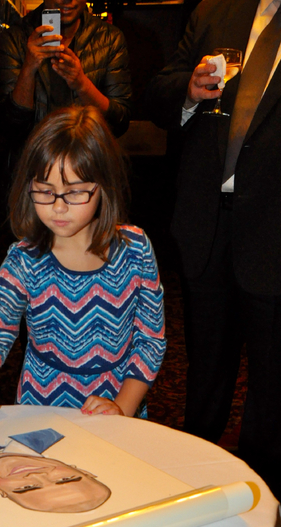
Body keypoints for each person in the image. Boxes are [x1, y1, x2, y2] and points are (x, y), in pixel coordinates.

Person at [0, 105, 166, 465]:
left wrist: (122, 407)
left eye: (74, 193)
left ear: (102, 185)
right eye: (44, 191)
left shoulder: (135, 249)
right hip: (41, 411)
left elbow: (150, 341)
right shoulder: (24, 259)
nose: (58, 207)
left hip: (117, 407)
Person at [144, 0, 281, 501]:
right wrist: (187, 88)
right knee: (204, 375)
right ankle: (194, 486)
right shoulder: (216, 11)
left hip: (272, 231)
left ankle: (260, 500)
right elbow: (158, 88)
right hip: (206, 224)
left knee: (270, 391)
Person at [0, 0, 132, 154]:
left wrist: (82, 85)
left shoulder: (110, 39)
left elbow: (119, 122)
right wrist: (29, 68)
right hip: (33, 163)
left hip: (87, 163)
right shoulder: (12, 40)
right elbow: (8, 128)